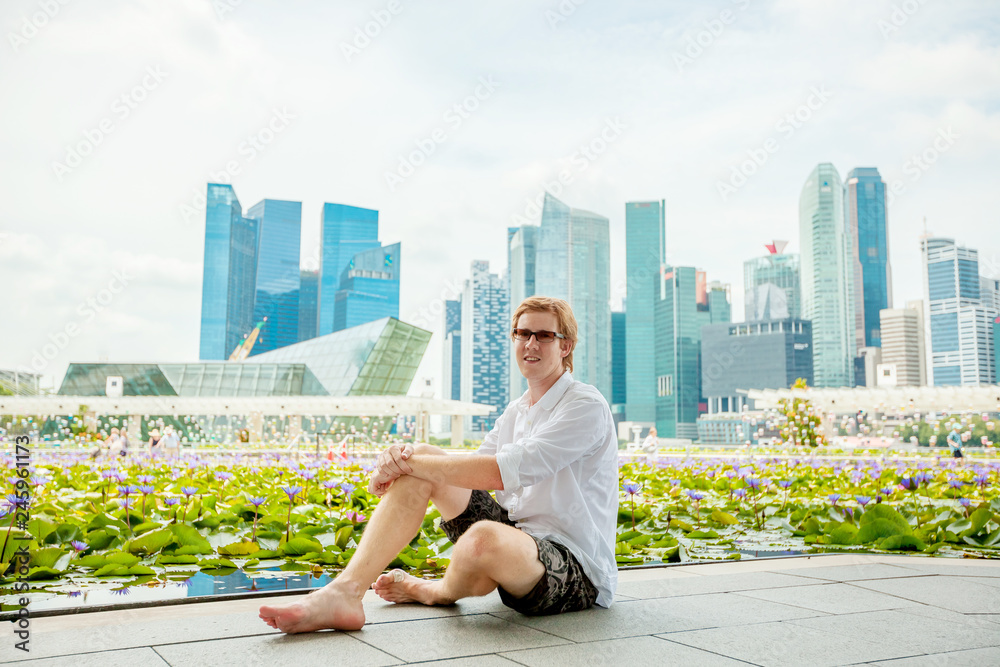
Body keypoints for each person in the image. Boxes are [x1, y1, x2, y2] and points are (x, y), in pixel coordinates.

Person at [260, 296, 619, 633]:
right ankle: (344, 593)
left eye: (544, 335)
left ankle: (437, 592)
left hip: (575, 564)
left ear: (565, 346)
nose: (531, 344)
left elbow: (500, 472)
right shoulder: (517, 410)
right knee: (427, 454)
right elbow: (469, 471)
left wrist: (407, 463)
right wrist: (406, 460)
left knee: (482, 537)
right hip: (518, 539)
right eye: (523, 333)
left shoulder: (585, 405)